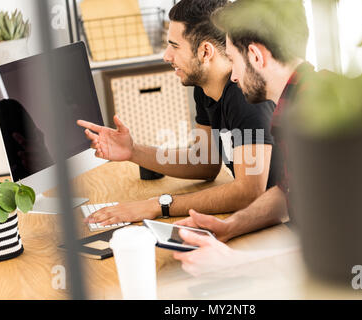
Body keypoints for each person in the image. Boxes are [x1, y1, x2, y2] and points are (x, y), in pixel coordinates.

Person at [76, 0, 282, 225]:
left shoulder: (244, 95)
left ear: (205, 51)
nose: (166, 56)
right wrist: (132, 151)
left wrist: (158, 205)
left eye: (174, 46)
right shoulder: (207, 88)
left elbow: (249, 192)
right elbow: (204, 162)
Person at [173, 0, 316, 275]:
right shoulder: (293, 104)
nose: (234, 77)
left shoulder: (313, 116)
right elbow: (286, 193)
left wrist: (242, 262)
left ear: (256, 56)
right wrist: (230, 226)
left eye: (233, 59)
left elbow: (339, 239)